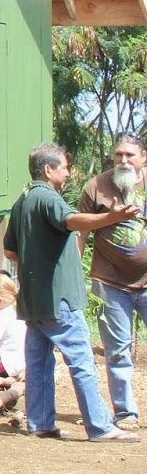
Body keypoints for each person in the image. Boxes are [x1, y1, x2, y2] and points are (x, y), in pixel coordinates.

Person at [4, 141, 140, 442]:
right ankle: (100, 426)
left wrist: (37, 255)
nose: (67, 173)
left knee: (38, 364)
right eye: (64, 168)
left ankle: (40, 423)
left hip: (34, 301)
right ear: (48, 169)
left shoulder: (22, 201)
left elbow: (10, 252)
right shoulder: (48, 198)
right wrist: (111, 218)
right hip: (59, 299)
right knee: (81, 362)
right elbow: (70, 220)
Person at [79, 132, 147, 430]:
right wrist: (74, 273)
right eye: (119, 154)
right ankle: (125, 412)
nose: (123, 160)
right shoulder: (96, 187)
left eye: (130, 155)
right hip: (110, 282)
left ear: (144, 158)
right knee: (117, 350)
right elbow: (80, 230)